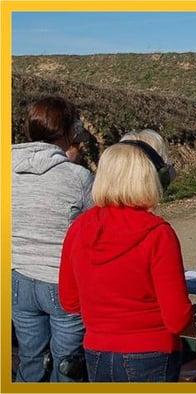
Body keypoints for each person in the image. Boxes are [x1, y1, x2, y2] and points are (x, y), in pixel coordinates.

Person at [58, 130, 192, 382]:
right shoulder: (158, 233)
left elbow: (69, 301)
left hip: (97, 350)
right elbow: (176, 318)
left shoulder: (78, 228)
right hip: (152, 352)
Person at [12, 96, 93, 382]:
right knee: (67, 366)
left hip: (16, 276)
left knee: (30, 362)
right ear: (68, 131)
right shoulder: (78, 177)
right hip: (63, 282)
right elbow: (95, 229)